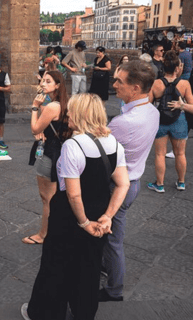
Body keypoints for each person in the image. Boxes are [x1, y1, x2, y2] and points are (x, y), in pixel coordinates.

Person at [21, 93, 130, 320]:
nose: (67, 114)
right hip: (99, 209)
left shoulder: (73, 145)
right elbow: (123, 184)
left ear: (81, 114)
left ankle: (46, 313)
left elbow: (73, 194)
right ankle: (83, 312)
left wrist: (83, 222)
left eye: (70, 110)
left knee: (55, 264)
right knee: (89, 267)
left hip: (70, 215)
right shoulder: (115, 143)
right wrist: (108, 216)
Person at [100, 60, 160, 302]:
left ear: (135, 88)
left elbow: (96, 151)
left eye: (119, 82)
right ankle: (107, 267)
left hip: (118, 186)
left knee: (113, 240)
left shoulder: (124, 123)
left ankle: (114, 289)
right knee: (112, 236)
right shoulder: (151, 111)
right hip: (133, 180)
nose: (114, 85)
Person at [23, 71, 69, 245]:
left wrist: (34, 106)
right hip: (60, 152)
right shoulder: (63, 103)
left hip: (50, 154)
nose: (43, 84)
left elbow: (35, 128)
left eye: (48, 81)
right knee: (56, 195)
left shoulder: (52, 107)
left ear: (57, 85)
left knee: (47, 198)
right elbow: (50, 119)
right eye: (42, 80)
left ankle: (43, 234)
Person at [147, 51, 193, 193]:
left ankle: (159, 184)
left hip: (161, 120)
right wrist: (182, 106)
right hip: (178, 120)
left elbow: (148, 105)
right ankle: (181, 182)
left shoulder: (155, 84)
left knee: (160, 154)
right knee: (180, 154)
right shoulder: (184, 84)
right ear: (177, 68)